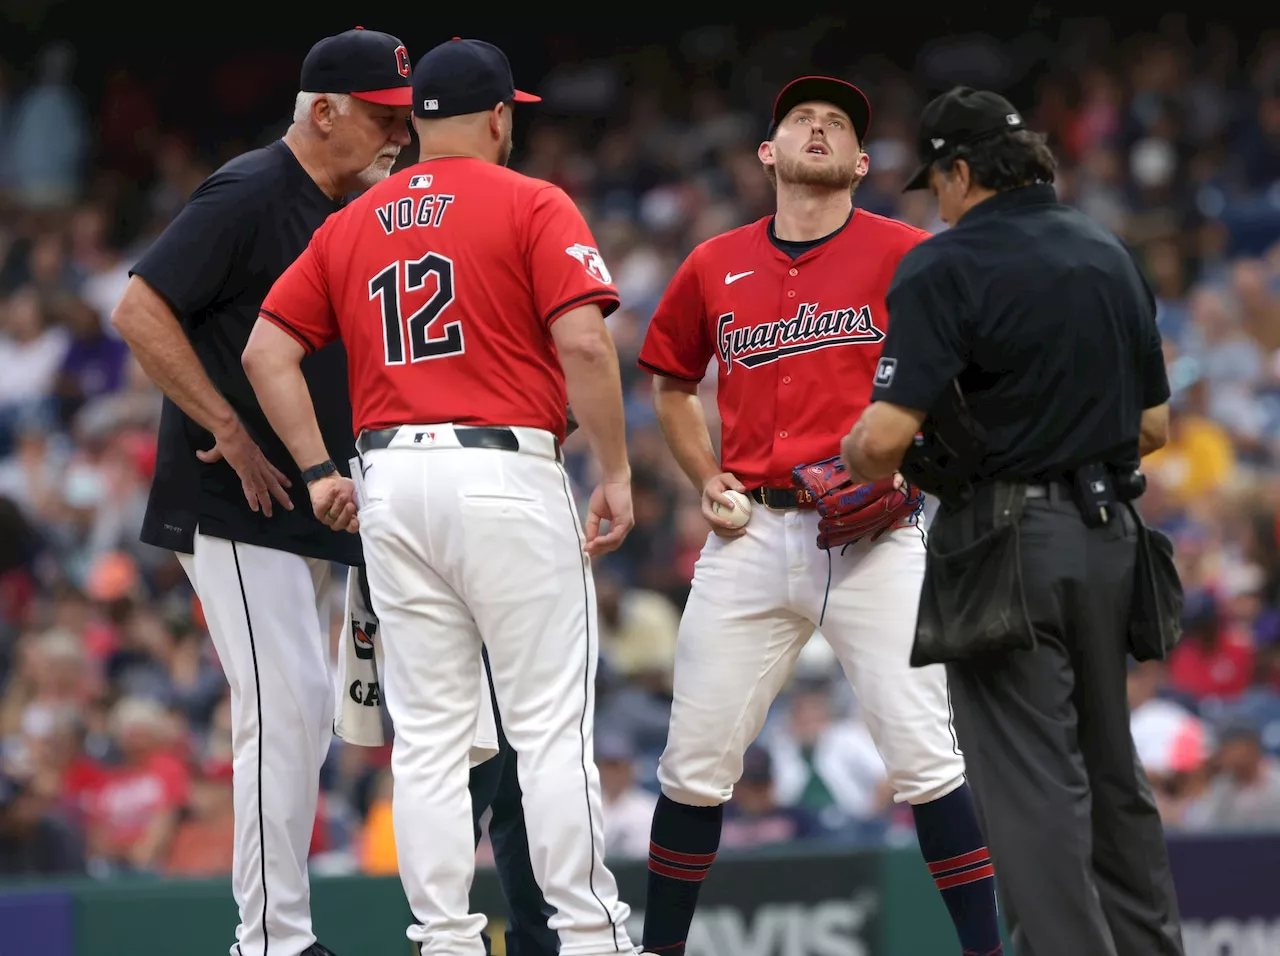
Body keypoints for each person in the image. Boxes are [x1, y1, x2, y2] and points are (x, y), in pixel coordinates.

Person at [109, 28, 550, 956]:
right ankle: (270, 938)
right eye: (384, 116)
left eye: (406, 115)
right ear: (322, 113)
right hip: (236, 502)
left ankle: (492, 921)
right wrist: (222, 426)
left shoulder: (356, 204)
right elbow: (139, 307)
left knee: (419, 707)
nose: (401, 131)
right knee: (289, 705)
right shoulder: (251, 189)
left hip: (325, 507)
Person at [240, 36, 637, 956]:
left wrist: (318, 471)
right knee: (545, 727)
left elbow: (268, 351)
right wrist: (615, 471)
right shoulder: (532, 198)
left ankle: (444, 939)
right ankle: (589, 934)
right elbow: (583, 343)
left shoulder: (352, 220)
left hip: (390, 481)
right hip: (502, 469)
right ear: (500, 117)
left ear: (416, 120)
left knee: (428, 741)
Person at [635, 76, 1002, 956]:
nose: (819, 128)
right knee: (692, 768)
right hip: (751, 529)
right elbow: (671, 382)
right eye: (802, 118)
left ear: (861, 163)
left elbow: (978, 370)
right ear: (768, 152)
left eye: (838, 124)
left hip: (878, 536)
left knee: (926, 761)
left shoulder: (908, 251)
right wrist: (703, 474)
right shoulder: (713, 261)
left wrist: (920, 460)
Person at [839, 86, 1184, 956]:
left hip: (1006, 549)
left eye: (939, 182)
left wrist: (850, 452)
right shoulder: (1108, 252)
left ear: (960, 171)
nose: (938, 200)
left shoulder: (944, 264)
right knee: (1114, 778)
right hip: (1110, 540)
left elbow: (882, 443)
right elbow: (1154, 428)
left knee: (1034, 792)